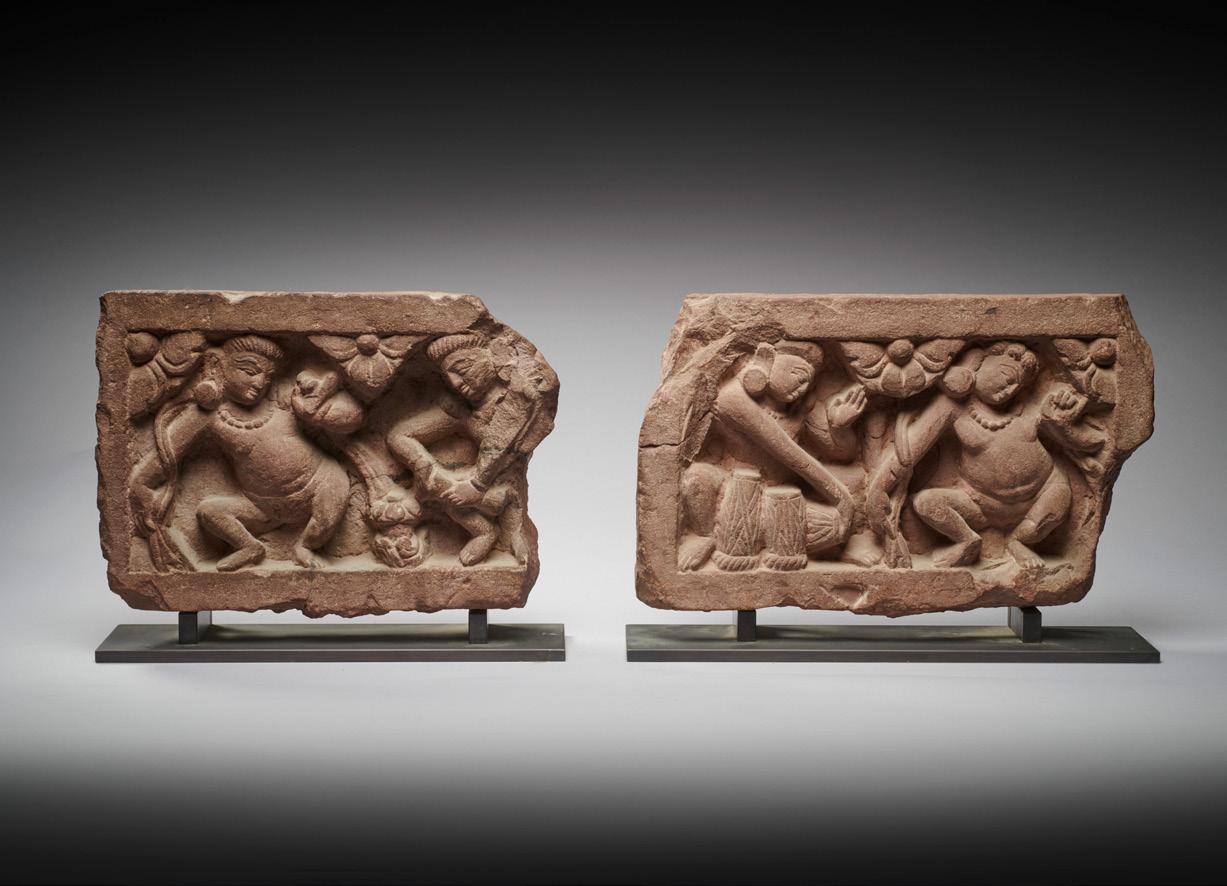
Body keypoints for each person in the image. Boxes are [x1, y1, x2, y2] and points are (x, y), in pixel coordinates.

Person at [866, 341, 1103, 569]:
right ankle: (966, 539)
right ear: (979, 363)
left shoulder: (1029, 409)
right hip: (982, 504)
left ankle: (1018, 542)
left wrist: (1063, 426)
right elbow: (908, 453)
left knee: (1059, 496)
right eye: (1006, 377)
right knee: (927, 503)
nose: (1010, 389)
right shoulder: (951, 408)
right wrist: (879, 489)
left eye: (1017, 386)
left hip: (1043, 491)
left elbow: (1093, 444)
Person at [129, 335, 351, 571]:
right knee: (209, 512)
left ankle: (304, 546)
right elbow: (167, 454)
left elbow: (350, 413)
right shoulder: (208, 416)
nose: (260, 383)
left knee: (331, 504)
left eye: (268, 377)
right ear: (217, 365)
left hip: (321, 482)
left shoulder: (283, 398)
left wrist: (319, 404)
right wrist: (142, 485)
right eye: (249, 371)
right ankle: (250, 547)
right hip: (263, 506)